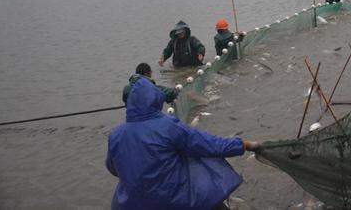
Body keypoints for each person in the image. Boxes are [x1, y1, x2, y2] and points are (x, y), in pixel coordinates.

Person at [107, 76, 260, 210]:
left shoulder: (116, 134)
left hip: (129, 205)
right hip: (171, 201)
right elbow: (208, 144)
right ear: (156, 99)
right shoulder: (167, 126)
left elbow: (113, 169)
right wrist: (241, 145)